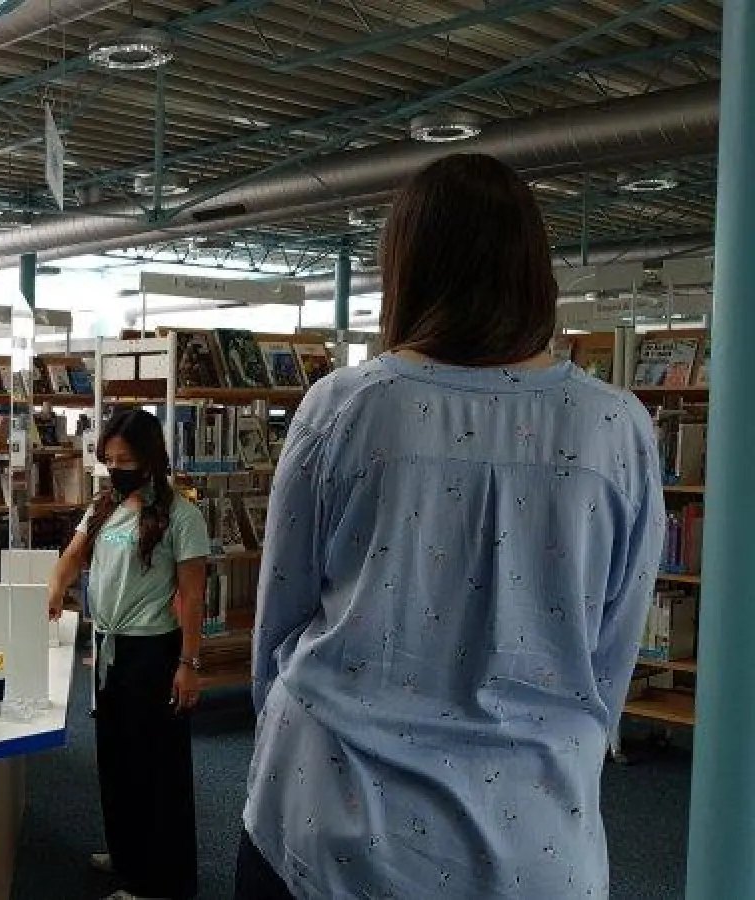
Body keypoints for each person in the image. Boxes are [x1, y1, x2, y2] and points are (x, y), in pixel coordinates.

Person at [236, 153, 665, 899]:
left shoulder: (343, 408)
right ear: (537, 272)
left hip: (329, 820)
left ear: (404, 269)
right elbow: (609, 659)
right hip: (537, 840)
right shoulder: (617, 427)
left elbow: (279, 627)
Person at [47, 408, 209, 900]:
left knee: (155, 769)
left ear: (150, 459)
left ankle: (158, 882)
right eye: (109, 459)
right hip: (110, 648)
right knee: (115, 757)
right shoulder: (105, 507)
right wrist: (57, 586)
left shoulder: (182, 514)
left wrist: (189, 663)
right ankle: (125, 853)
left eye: (126, 459)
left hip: (154, 653)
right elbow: (74, 555)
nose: (116, 468)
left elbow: (192, 596)